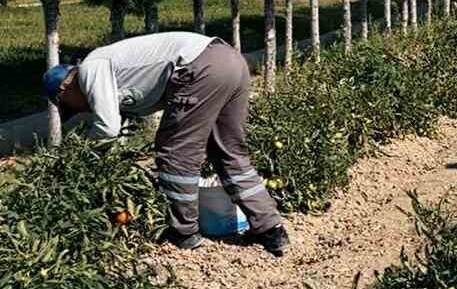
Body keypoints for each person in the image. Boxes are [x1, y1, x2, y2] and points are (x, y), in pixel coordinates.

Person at [42, 32, 289, 255]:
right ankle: (270, 229)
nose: (79, 110)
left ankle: (184, 233)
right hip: (230, 61)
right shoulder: (106, 73)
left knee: (176, 153)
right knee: (229, 152)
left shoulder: (90, 69)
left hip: (200, 67)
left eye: (70, 107)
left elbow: (108, 128)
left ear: (65, 88)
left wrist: (82, 156)